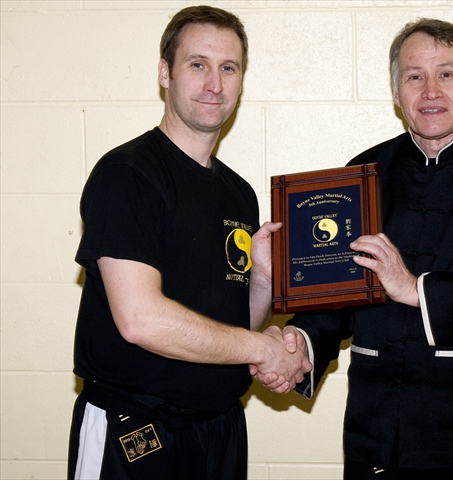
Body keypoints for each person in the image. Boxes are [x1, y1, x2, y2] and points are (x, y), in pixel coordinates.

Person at [258, 18, 453, 480]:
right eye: (414, 76)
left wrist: (416, 288)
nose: (430, 90)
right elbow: (339, 292)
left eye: (447, 74)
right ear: (397, 92)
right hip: (376, 431)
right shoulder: (363, 173)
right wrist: (301, 342)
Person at [68, 6, 311, 480]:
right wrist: (263, 350)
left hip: (218, 430)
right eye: (197, 64)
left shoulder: (238, 193)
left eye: (229, 67)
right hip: (135, 431)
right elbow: (140, 320)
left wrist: (261, 278)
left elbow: (232, 325)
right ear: (165, 73)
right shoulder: (128, 175)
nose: (214, 84)